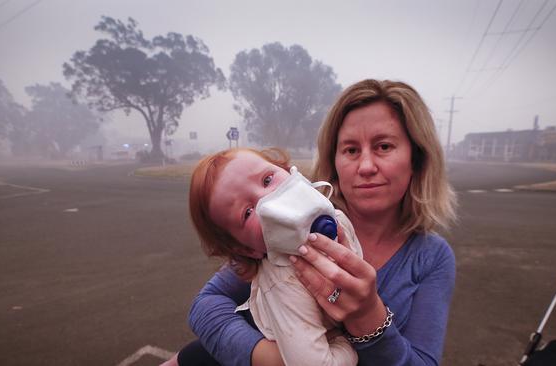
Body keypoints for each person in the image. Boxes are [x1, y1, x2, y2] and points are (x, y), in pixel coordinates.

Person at [173, 79, 457, 366]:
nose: (366, 166)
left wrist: (368, 318)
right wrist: (266, 357)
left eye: (384, 146)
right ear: (334, 160)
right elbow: (204, 307)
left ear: (416, 158)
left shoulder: (431, 257)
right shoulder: (287, 231)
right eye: (350, 150)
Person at [169, 147, 362, 366]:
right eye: (247, 212)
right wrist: (349, 342)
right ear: (247, 249)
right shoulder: (283, 283)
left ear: (292, 172)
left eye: (268, 179)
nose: (268, 199)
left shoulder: (338, 219)